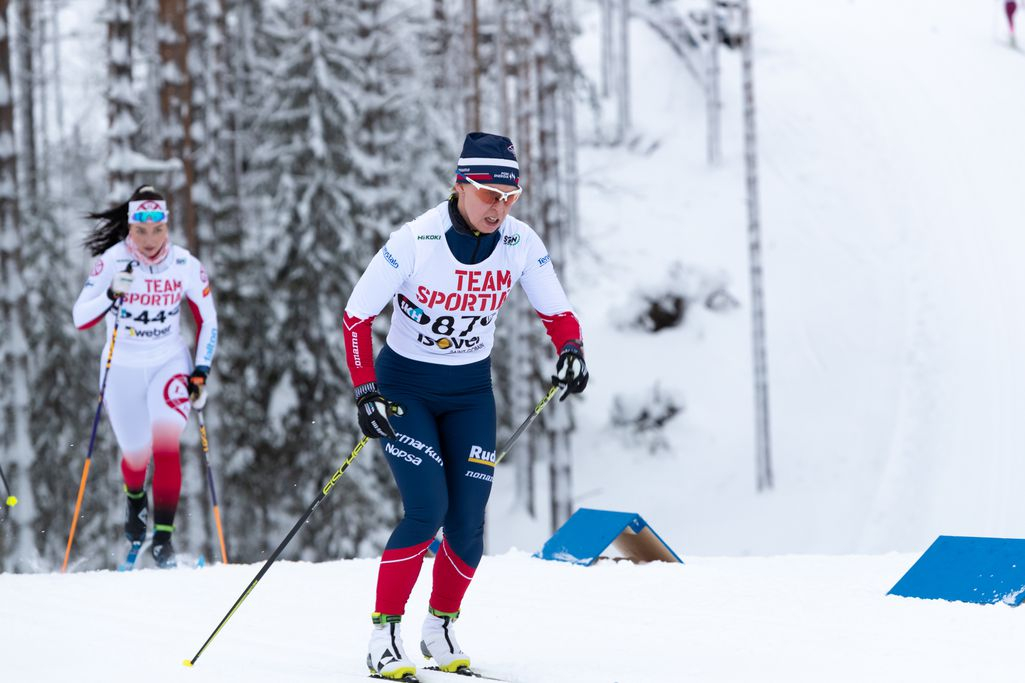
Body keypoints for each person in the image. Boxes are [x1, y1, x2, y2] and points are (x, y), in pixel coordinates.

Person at [343, 132, 589, 680]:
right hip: (405, 387)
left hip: (471, 391)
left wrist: (571, 350)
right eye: (487, 195)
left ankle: (440, 626)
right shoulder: (416, 240)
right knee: (426, 510)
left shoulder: (520, 242)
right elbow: (356, 318)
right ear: (459, 187)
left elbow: (558, 312)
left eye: (509, 197)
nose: (498, 208)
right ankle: (383, 635)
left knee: (467, 521)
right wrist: (366, 389)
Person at [72, 185, 218, 568]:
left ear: (166, 226)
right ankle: (135, 500)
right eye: (140, 230)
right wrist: (110, 295)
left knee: (167, 445)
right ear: (130, 227)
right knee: (136, 458)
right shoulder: (112, 262)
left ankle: (163, 542)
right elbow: (80, 318)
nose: (150, 240)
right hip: (121, 367)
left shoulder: (186, 265)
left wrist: (200, 371)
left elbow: (208, 321)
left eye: (157, 230)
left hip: (169, 363)